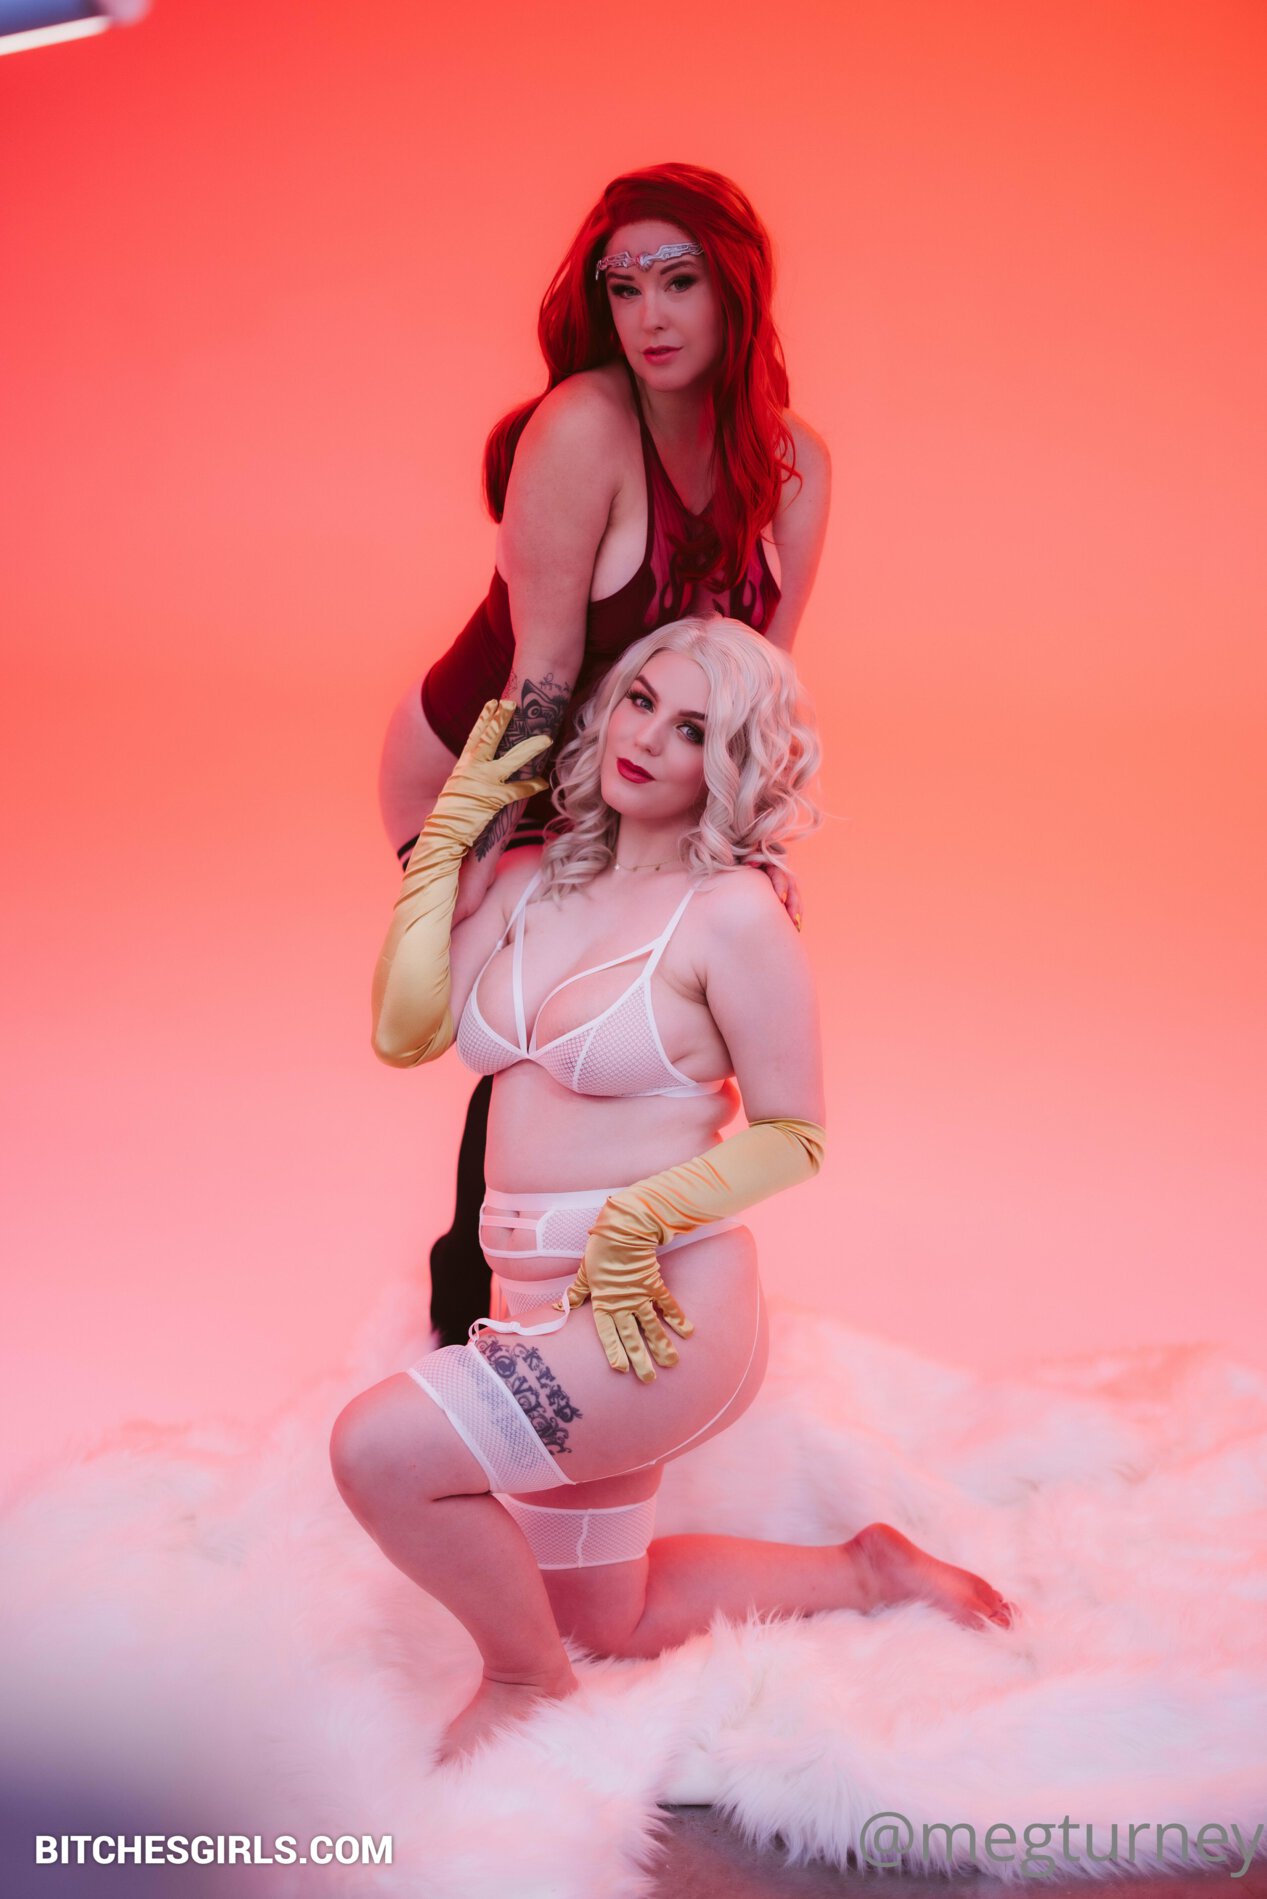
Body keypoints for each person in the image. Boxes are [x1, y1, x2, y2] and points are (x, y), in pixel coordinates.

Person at [332, 620, 1013, 1766]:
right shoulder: (532, 877)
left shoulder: (733, 914)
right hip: (536, 1289)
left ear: (729, 763)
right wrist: (447, 845)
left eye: (693, 729)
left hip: (654, 1307)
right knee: (609, 1615)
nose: (647, 739)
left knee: (380, 1453)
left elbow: (795, 1136)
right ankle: (866, 1570)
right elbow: (405, 1034)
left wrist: (639, 1218)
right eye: (642, 700)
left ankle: (526, 1687)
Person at [377, 161, 832, 1346]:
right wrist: (466, 871)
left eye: (678, 281)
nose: (649, 318)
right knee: (538, 1017)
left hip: (637, 777)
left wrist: (750, 855)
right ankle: (469, 1309)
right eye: (622, 289)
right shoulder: (583, 425)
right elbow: (538, 683)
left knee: (667, 998)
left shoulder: (795, 469)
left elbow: (753, 693)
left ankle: (618, 1269)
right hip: (498, 765)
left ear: (736, 291)